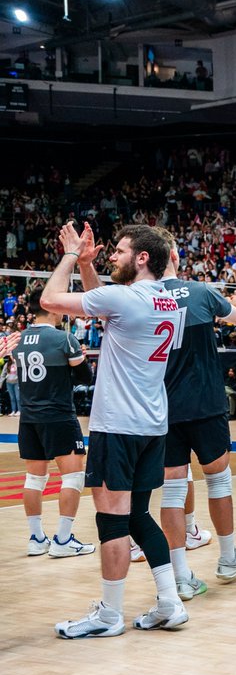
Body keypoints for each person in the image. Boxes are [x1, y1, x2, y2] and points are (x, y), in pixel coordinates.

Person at [42, 221, 190, 637]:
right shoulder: (167, 302)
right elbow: (109, 309)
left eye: (120, 251)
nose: (113, 255)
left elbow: (50, 299)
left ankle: (109, 615)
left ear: (142, 258)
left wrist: (72, 255)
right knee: (138, 515)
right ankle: (170, 602)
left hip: (118, 425)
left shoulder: (123, 298)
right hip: (152, 425)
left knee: (111, 521)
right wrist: (88, 266)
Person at [158, 232, 236, 600]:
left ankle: (180, 577)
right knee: (218, 480)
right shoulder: (200, 292)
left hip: (163, 407)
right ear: (174, 255)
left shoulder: (143, 298)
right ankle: (228, 558)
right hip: (205, 402)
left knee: (171, 489)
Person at [11, 289, 95, 558]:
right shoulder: (64, 339)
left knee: (34, 479)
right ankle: (63, 539)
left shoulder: (19, 340)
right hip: (59, 416)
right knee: (73, 477)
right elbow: (85, 377)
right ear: (51, 307)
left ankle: (36, 539)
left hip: (29, 418)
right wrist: (79, 359)